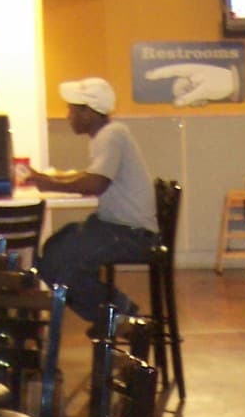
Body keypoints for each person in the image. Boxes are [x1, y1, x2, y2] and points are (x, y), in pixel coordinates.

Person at [19, 77, 158, 326]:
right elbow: (91, 175)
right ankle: (110, 315)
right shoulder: (107, 135)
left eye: (72, 109)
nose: (68, 115)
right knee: (53, 250)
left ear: (89, 112)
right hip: (115, 226)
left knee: (57, 262)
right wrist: (52, 178)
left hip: (132, 234)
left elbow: (96, 184)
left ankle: (122, 315)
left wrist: (49, 183)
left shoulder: (111, 135)